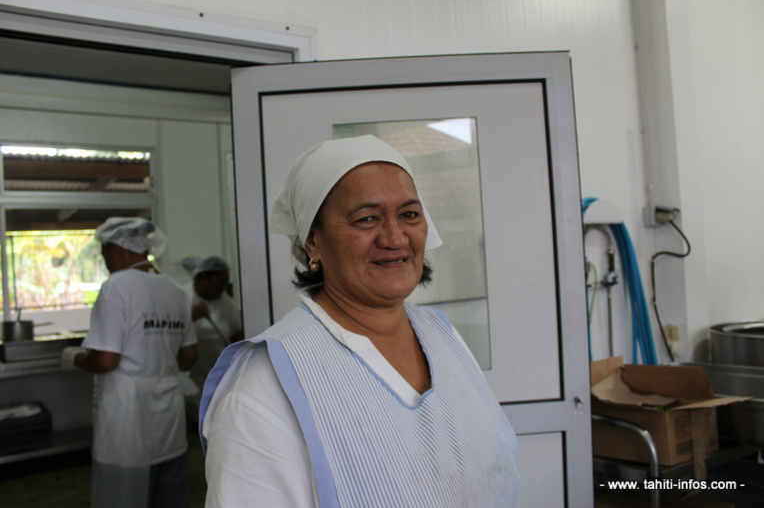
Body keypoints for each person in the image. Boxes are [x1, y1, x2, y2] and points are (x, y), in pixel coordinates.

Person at [200, 135, 519, 507]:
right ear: (312, 242)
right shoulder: (263, 383)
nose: (395, 237)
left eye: (409, 215)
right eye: (366, 218)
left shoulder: (443, 336)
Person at [61, 217, 198, 508]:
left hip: (127, 412)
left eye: (104, 254)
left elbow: (107, 359)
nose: (106, 262)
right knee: (169, 489)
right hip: (168, 408)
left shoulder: (117, 288)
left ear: (117, 249)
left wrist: (77, 357)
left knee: (123, 493)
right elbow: (189, 355)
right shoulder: (175, 291)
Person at [183, 255, 243, 423]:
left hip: (218, 372)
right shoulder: (183, 297)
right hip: (191, 374)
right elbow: (171, 335)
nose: (223, 287)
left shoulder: (226, 302)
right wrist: (191, 316)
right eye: (220, 281)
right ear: (203, 278)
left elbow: (237, 334)